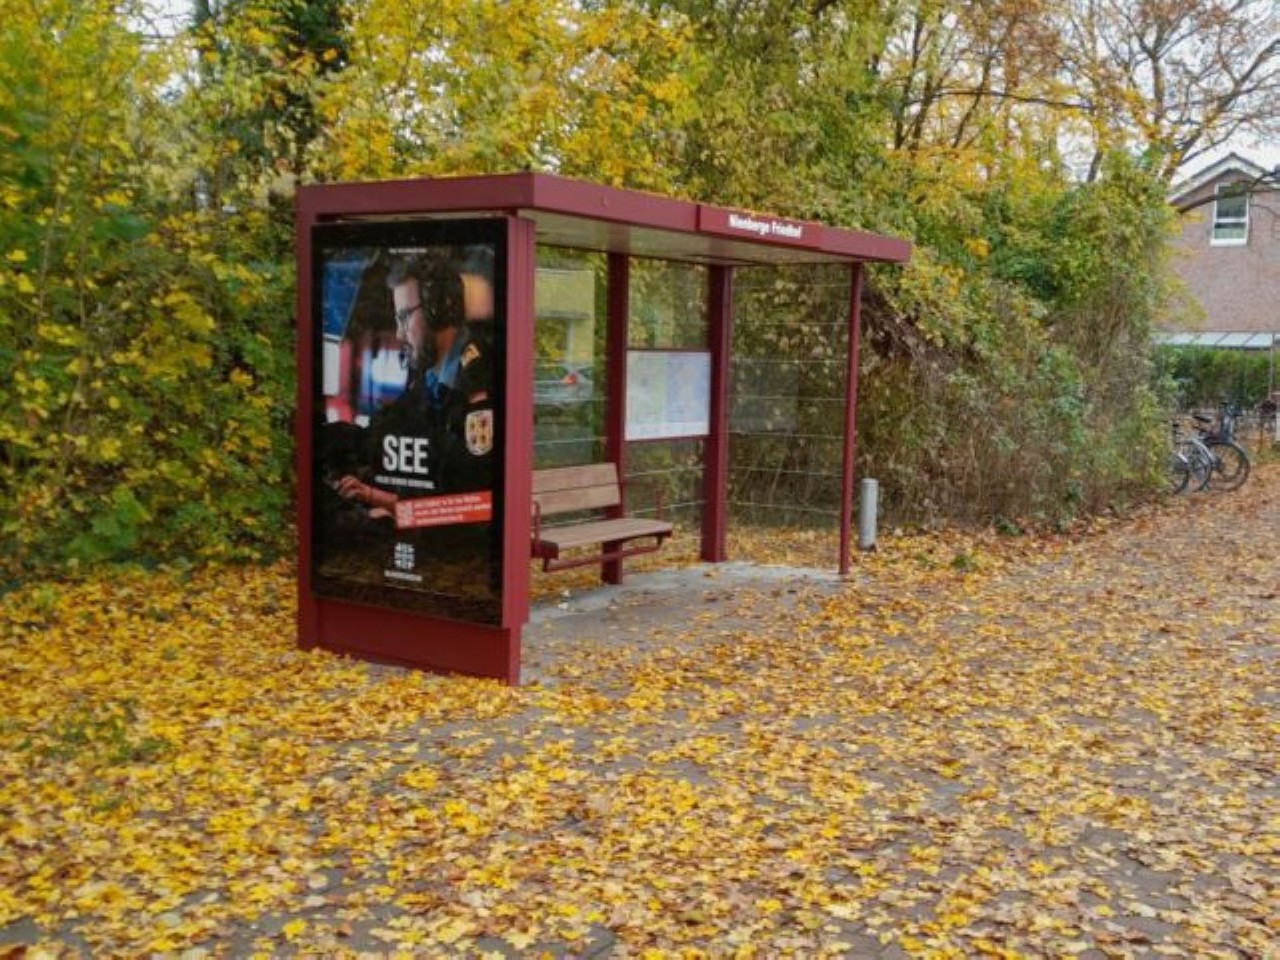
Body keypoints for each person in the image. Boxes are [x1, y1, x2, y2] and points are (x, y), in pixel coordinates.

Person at [335, 252, 495, 513]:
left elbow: (466, 502)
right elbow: (383, 434)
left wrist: (377, 498)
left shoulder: (476, 380)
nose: (399, 334)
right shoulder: (428, 381)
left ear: (437, 309)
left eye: (405, 317)